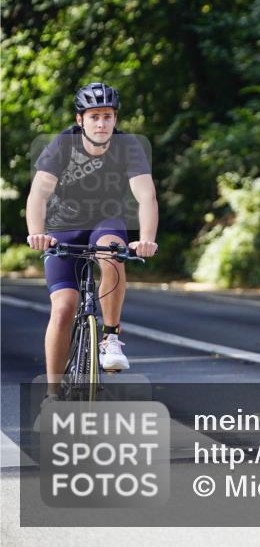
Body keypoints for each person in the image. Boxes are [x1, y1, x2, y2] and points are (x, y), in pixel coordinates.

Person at [25, 82, 158, 392]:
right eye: (95, 116)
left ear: (115, 119)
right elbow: (38, 194)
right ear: (80, 119)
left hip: (105, 221)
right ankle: (53, 392)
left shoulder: (128, 146)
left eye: (108, 116)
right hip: (62, 228)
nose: (101, 123)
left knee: (112, 252)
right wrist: (37, 233)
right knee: (63, 309)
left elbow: (146, 195)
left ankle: (111, 337)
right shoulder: (62, 144)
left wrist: (147, 238)